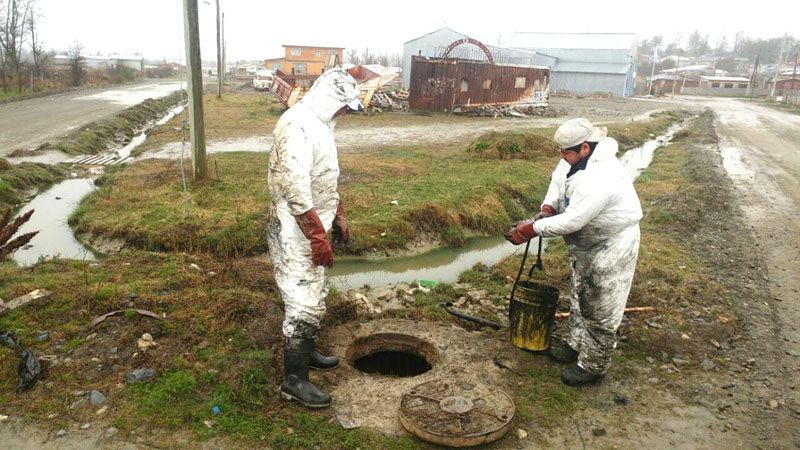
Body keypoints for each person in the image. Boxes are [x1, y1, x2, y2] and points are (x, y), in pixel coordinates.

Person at [505, 118, 642, 387]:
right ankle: (575, 344)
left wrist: (531, 229)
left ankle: (593, 366)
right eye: (560, 151)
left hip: (611, 244)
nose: (561, 156)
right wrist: (547, 208)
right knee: (580, 294)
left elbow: (573, 220)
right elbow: (558, 181)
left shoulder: (600, 176)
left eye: (566, 152)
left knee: (601, 304)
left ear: (586, 149)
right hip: (585, 245)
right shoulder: (572, 156)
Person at [267, 68, 362, 407]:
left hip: (314, 225)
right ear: (329, 99)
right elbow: (294, 188)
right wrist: (317, 238)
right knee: (302, 302)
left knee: (316, 290)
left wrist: (337, 214)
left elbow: (325, 176)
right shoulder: (296, 126)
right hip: (295, 230)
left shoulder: (321, 125)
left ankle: (306, 353)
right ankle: (294, 380)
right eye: (344, 106)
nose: (346, 113)